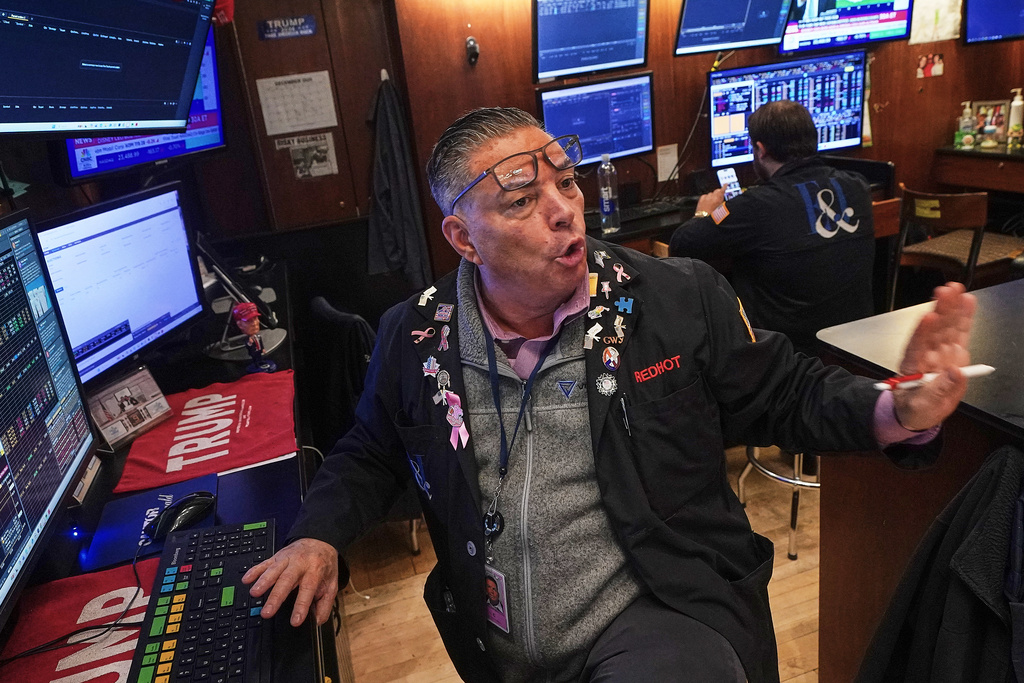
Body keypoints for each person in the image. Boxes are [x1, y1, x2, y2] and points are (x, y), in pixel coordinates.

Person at [242, 107, 976, 683]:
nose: (565, 208)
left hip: (663, 611)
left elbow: (788, 393)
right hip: (497, 645)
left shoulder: (676, 297)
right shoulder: (413, 334)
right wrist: (318, 533)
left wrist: (894, 408)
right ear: (464, 238)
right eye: (523, 200)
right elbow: (372, 449)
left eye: (566, 182)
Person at [670, 100, 876, 356]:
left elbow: (682, 244)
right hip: (855, 349)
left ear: (760, 149)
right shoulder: (857, 186)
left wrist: (703, 212)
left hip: (791, 359)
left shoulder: (756, 205)